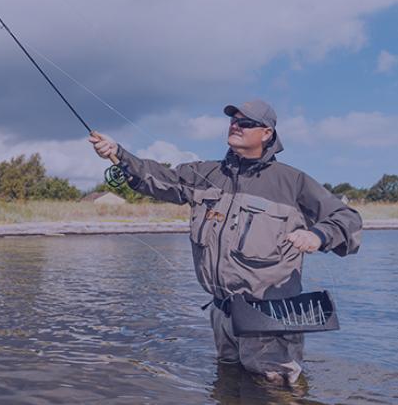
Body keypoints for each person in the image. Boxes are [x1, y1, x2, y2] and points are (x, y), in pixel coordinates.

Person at [89, 100, 362, 385]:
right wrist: (118, 153)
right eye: (233, 120)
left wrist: (317, 236)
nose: (235, 126)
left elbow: (348, 219)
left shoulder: (292, 182)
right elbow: (159, 177)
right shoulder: (205, 174)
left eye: (245, 123)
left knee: (276, 400)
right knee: (228, 386)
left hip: (268, 320)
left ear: (266, 133)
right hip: (222, 315)